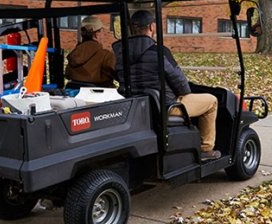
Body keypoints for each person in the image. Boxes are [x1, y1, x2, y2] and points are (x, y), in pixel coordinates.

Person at [113, 10, 220, 161]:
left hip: (137, 108)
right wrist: (183, 93)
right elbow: (182, 86)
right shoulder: (159, 52)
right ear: (151, 27)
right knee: (211, 101)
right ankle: (205, 149)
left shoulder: (120, 55)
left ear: (132, 28)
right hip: (166, 107)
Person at [65, 16, 116, 88]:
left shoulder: (74, 54)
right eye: (102, 31)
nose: (103, 34)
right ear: (96, 35)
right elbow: (117, 74)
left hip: (73, 94)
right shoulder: (106, 55)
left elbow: (67, 75)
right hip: (99, 96)